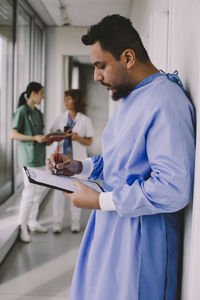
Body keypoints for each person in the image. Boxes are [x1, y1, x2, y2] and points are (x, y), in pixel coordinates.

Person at [48, 15, 195, 300]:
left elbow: (174, 189)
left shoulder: (166, 101)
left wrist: (100, 200)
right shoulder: (132, 97)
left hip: (141, 244)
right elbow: (123, 160)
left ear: (128, 57)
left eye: (100, 66)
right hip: (113, 229)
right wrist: (81, 166)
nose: (96, 76)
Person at [50, 89, 94, 233]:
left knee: (76, 191)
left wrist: (77, 138)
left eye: (68, 99)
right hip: (61, 161)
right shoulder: (59, 117)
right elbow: (50, 135)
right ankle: (57, 223)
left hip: (77, 162)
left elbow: (89, 141)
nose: (66, 102)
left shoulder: (85, 120)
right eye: (65, 99)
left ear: (75, 101)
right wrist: (61, 135)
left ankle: (75, 223)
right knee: (58, 193)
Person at [11, 82, 48, 243]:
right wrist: (34, 138)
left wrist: (45, 139)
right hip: (28, 159)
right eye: (41, 93)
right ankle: (22, 226)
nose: (43, 96)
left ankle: (32, 221)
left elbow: (40, 134)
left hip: (39, 157)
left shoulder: (38, 113)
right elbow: (13, 134)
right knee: (29, 193)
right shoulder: (22, 111)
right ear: (33, 93)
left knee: (38, 192)